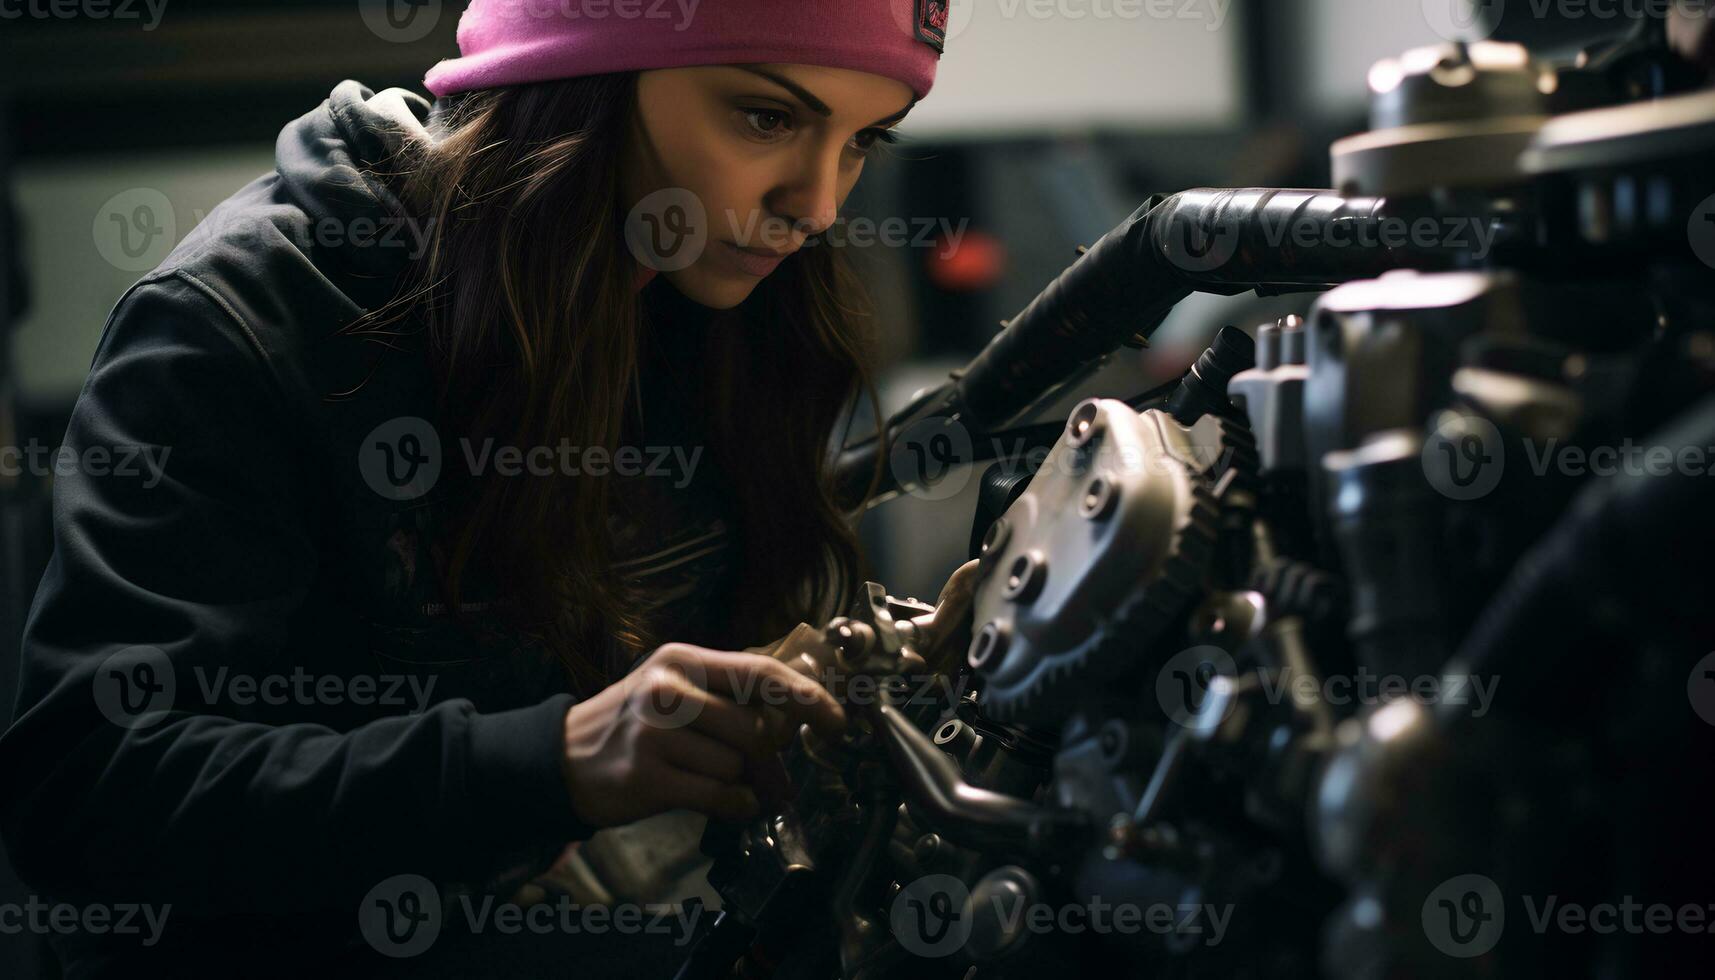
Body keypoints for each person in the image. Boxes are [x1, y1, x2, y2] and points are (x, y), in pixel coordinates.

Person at [0, 1, 948, 975]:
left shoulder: (719, 310)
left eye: (862, 141)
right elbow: (88, 792)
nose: (817, 203)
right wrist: (551, 760)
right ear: (585, 72)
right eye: (766, 118)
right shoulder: (244, 319)